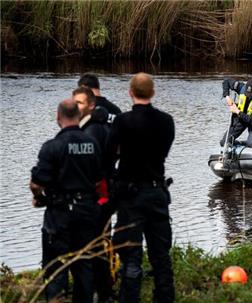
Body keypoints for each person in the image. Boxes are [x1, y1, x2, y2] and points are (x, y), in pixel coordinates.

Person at [107, 73, 175, 303]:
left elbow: (109, 157)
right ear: (153, 93)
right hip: (157, 192)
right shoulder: (166, 121)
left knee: (131, 256)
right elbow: (163, 152)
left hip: (131, 196)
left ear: (130, 92)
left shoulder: (122, 122)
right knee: (161, 256)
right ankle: (164, 298)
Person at [30, 99, 102, 303]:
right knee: (84, 266)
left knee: (55, 267)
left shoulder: (52, 146)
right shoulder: (93, 144)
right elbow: (98, 179)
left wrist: (39, 199)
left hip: (60, 213)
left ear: (57, 116)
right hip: (87, 211)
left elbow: (36, 183)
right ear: (79, 117)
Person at [73, 87, 115, 302]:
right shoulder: (96, 128)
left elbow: (95, 166)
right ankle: (105, 289)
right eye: (74, 103)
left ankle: (97, 292)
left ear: (91, 104)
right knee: (100, 242)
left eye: (79, 103)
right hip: (101, 194)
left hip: (97, 196)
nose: (75, 107)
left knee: (93, 244)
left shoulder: (90, 132)